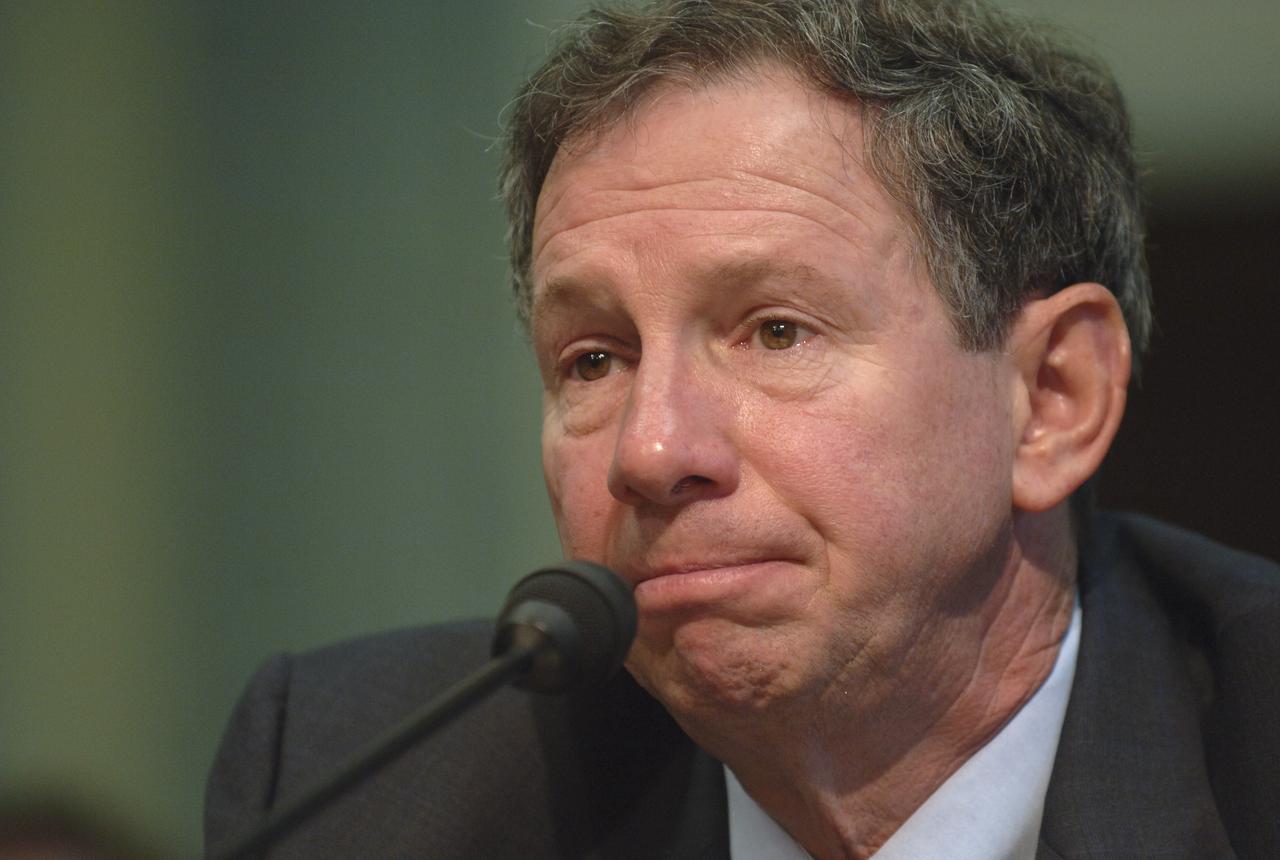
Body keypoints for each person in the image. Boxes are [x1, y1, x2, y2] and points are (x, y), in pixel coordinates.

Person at [205, 1, 1279, 857]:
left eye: (774, 331)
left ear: (1051, 398)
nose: (650, 452)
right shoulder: (366, 790)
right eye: (593, 358)